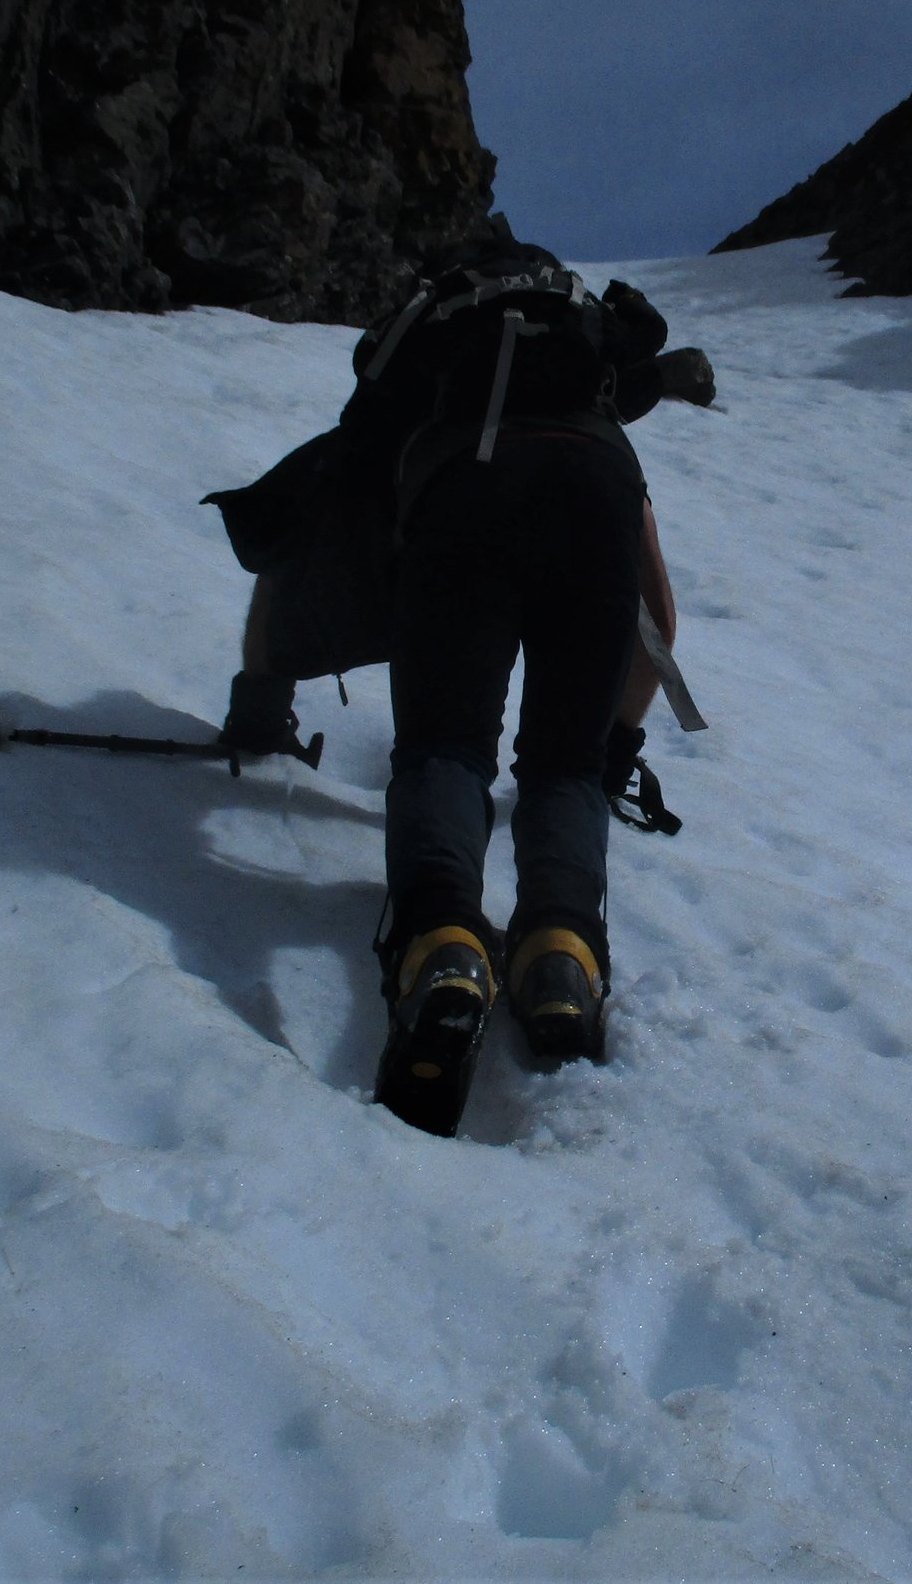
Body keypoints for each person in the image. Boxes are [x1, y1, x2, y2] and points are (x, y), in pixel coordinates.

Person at [216, 221, 712, 1136]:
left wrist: (260, 702)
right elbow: (661, 621)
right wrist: (612, 757)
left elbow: (326, 504)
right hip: (599, 500)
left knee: (447, 747)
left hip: (462, 501)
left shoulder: (431, 337)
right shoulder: (589, 356)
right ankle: (560, 950)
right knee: (560, 764)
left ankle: (443, 943)